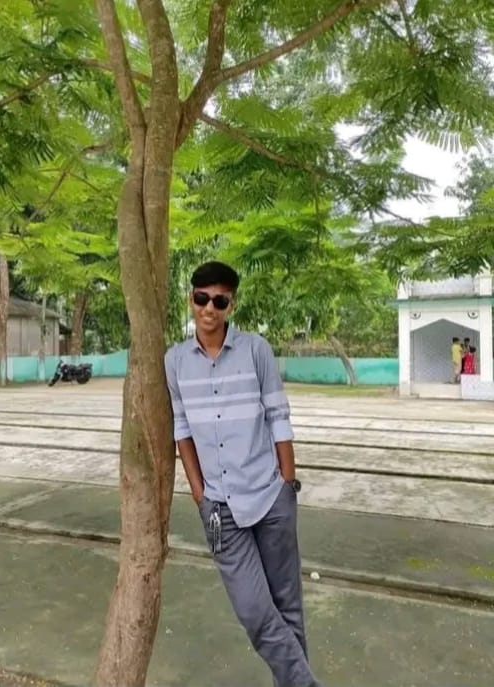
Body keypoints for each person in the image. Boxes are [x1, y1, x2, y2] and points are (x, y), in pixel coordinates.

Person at [165, 261, 321, 687]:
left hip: (270, 497)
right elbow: (182, 430)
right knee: (254, 611)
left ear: (231, 305)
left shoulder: (256, 350)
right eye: (202, 298)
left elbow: (278, 417)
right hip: (220, 509)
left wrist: (287, 484)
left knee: (287, 606)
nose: (209, 308)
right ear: (191, 299)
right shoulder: (175, 362)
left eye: (219, 301)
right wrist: (200, 495)